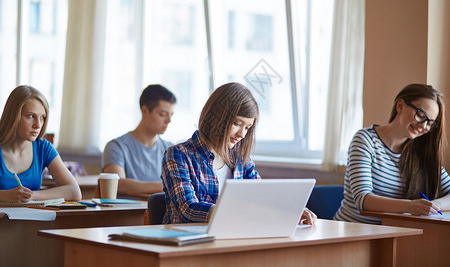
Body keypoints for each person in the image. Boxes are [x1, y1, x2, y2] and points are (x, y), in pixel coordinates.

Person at [162, 82, 317, 225]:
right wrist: (238, 211)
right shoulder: (178, 155)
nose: (242, 134)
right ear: (216, 117)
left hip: (231, 240)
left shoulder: (241, 159)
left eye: (247, 127)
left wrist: (288, 210)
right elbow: (187, 209)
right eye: (237, 123)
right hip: (188, 245)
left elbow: (263, 195)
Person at [335, 83, 450, 224]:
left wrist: (433, 206)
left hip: (391, 234)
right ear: (400, 106)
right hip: (352, 231)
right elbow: (363, 199)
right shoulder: (365, 140)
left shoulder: (421, 153)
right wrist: (411, 206)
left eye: (430, 123)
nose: (423, 126)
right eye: (421, 115)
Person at [0, 85, 81, 202]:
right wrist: (4, 196)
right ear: (13, 116)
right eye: (31, 116)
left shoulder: (43, 148)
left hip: (31, 219)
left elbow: (74, 191)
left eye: (42, 117)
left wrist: (31, 196)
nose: (38, 125)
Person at [102, 84, 176, 195]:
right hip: (130, 211)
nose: (169, 120)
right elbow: (118, 184)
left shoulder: (170, 149)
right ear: (144, 111)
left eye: (171, 115)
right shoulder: (116, 146)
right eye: (163, 114)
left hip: (162, 212)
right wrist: (167, 185)